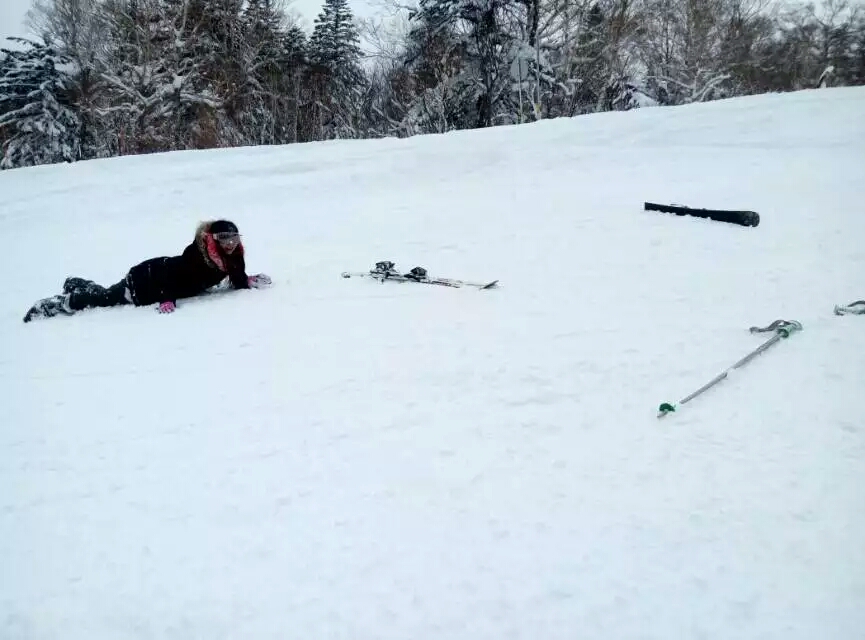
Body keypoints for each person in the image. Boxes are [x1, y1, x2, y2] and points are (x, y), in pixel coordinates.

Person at [23, 219, 271, 322]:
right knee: (107, 299)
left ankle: (76, 282)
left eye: (234, 238)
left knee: (109, 292)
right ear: (213, 239)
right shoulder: (196, 254)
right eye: (224, 238)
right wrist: (167, 298)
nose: (230, 243)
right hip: (146, 280)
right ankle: (60, 303)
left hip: (156, 276)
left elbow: (237, 275)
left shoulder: (233, 255)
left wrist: (246, 281)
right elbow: (171, 276)